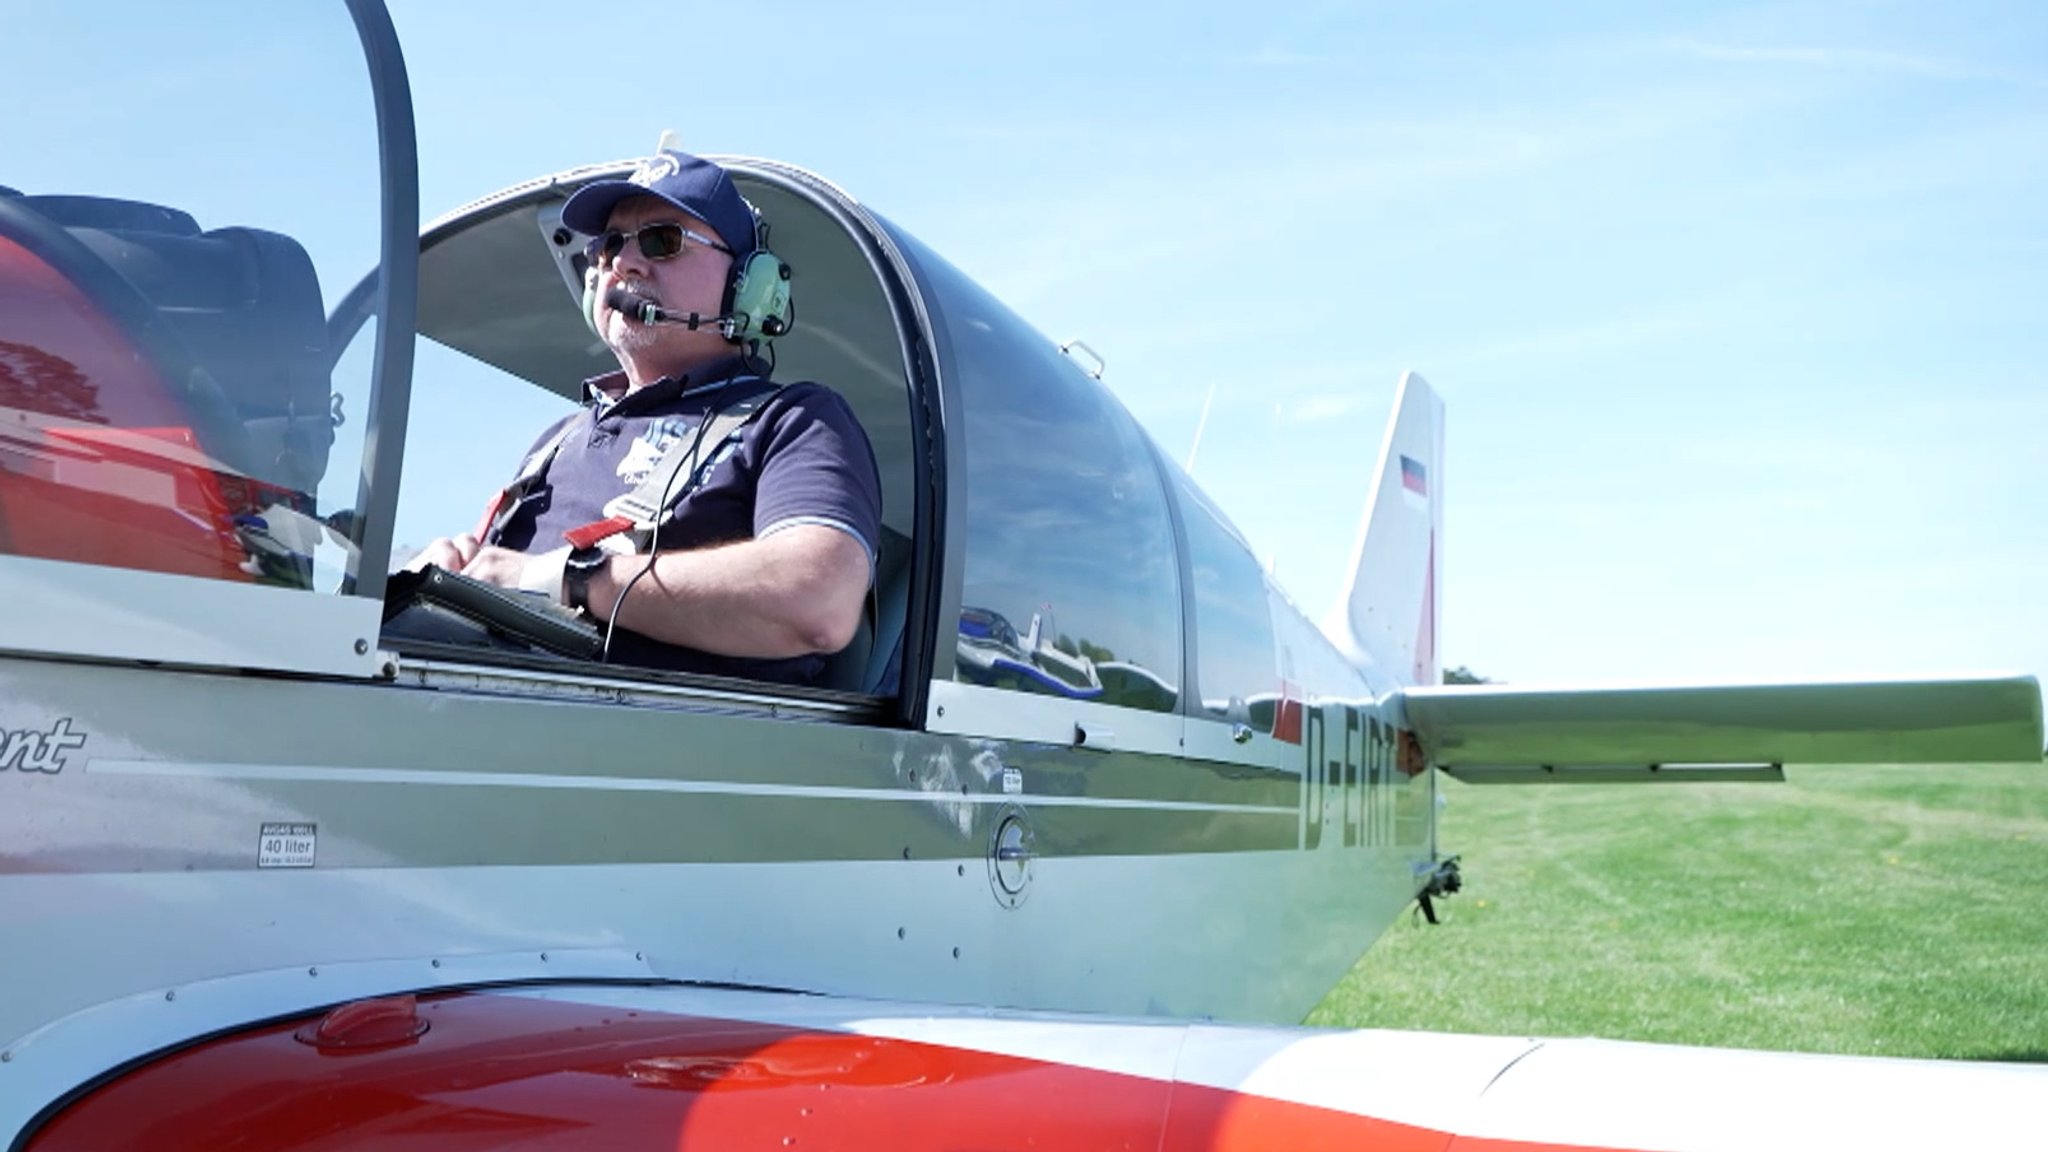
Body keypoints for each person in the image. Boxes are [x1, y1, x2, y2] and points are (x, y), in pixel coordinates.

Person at [409, 150, 881, 686]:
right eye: (610, 245)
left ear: (747, 285)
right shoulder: (553, 446)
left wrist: (570, 578)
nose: (623, 264)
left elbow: (819, 599)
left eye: (663, 240)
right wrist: (442, 572)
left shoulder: (795, 422)